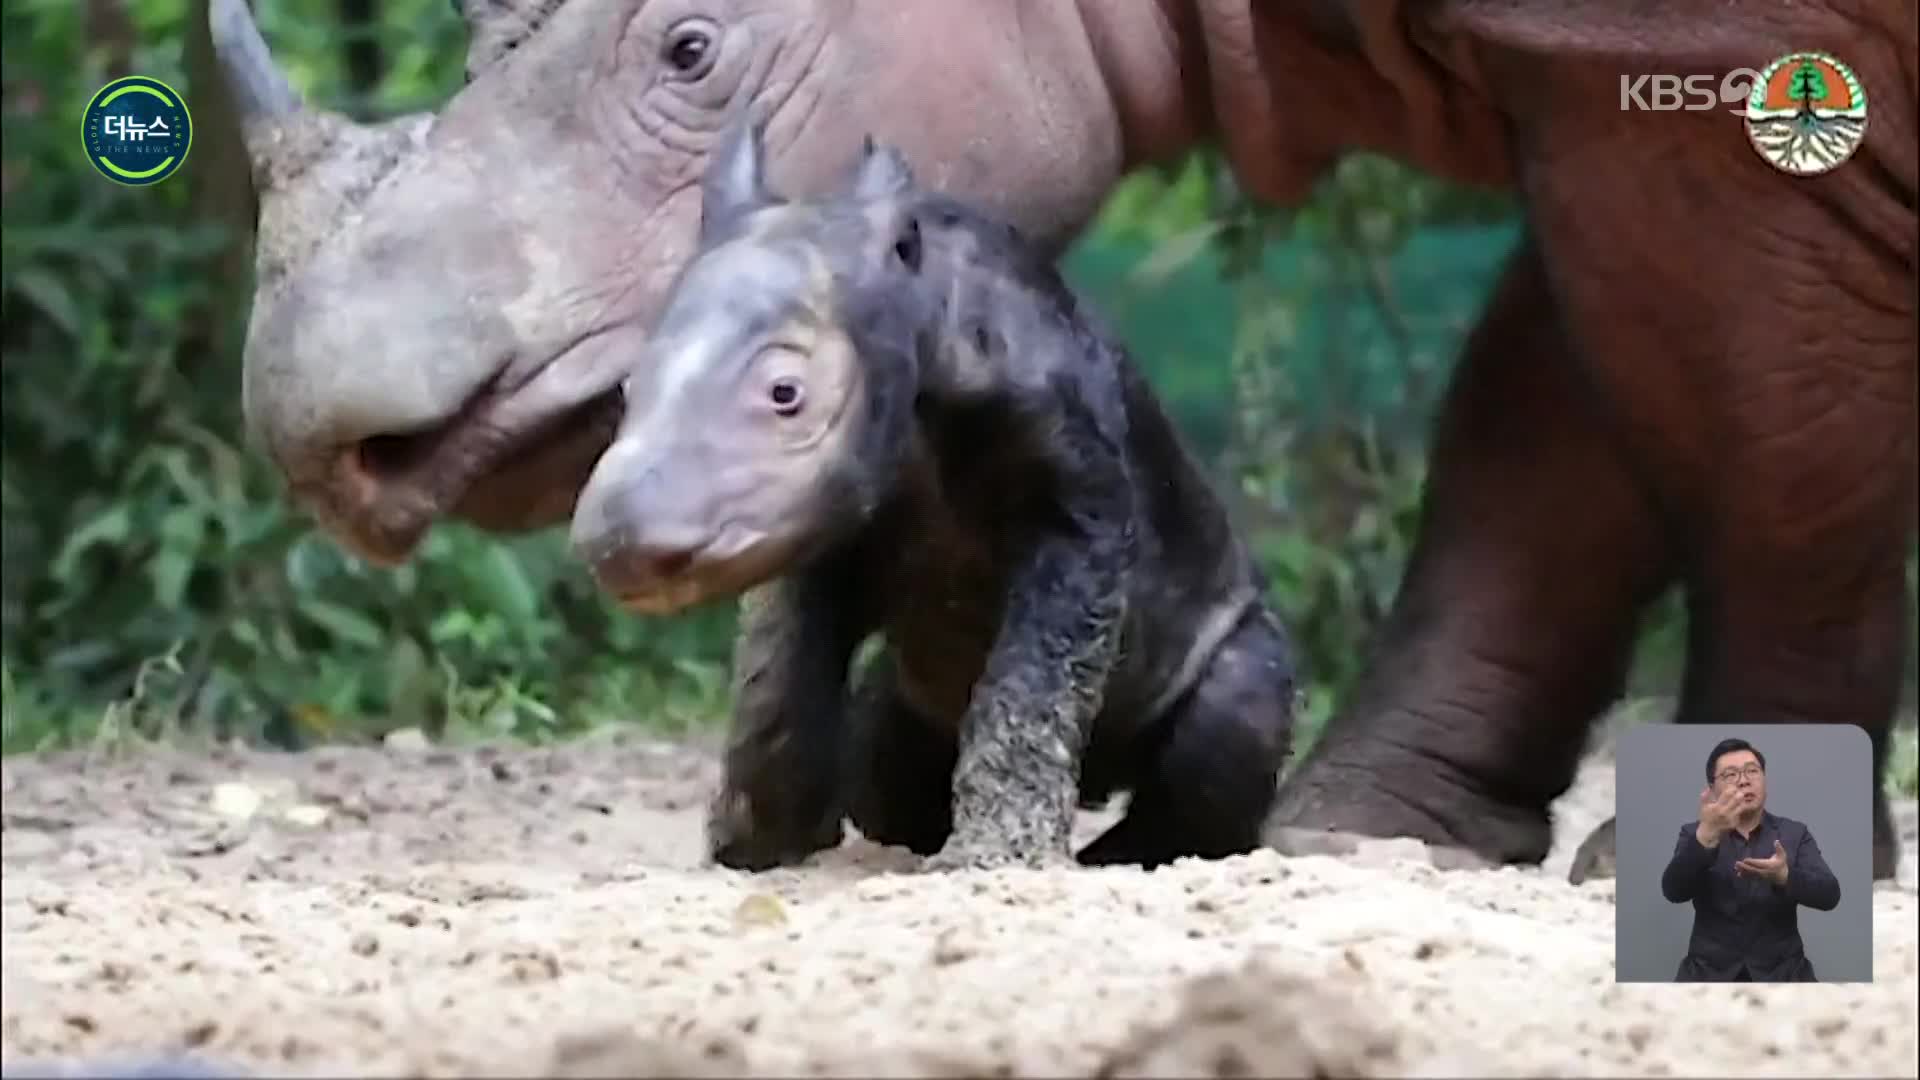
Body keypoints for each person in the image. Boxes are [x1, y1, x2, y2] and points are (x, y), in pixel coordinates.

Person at [1659, 737, 1842, 981]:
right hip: (1708, 976)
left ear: (1764, 780)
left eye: (1752, 771)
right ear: (1712, 788)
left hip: (1785, 976)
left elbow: (1830, 894)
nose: (1744, 781)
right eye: (1730, 775)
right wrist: (1705, 837)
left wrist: (1785, 876)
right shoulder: (1694, 833)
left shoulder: (1794, 833)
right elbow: (1673, 891)